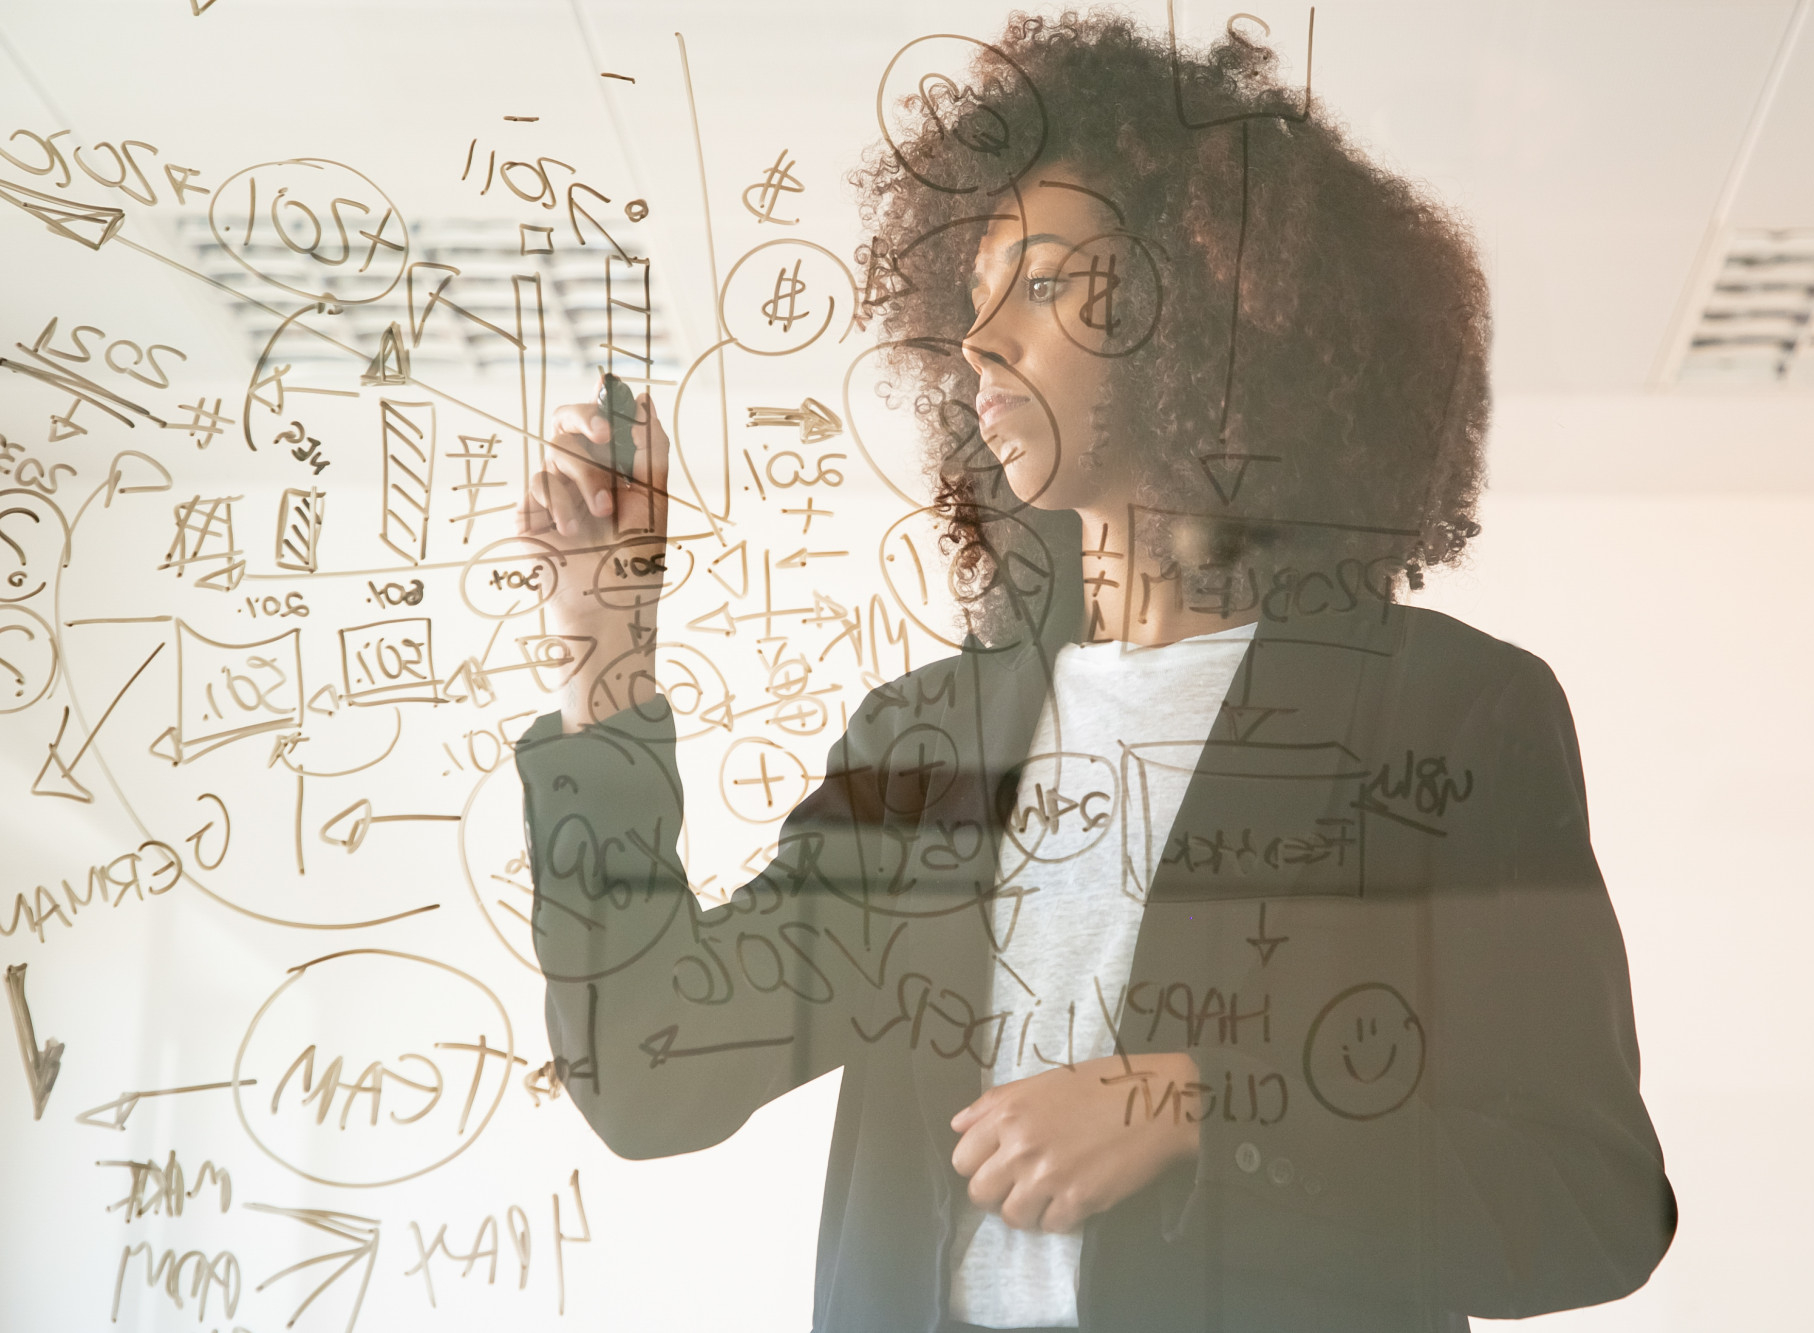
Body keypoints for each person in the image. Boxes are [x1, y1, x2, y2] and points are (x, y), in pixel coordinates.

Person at [513, 13, 1674, 1332]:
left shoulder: (1451, 713)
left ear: (1223, 314)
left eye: (1049, 283)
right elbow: (655, 1068)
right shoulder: (930, 736)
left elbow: (1588, 1200)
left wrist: (1196, 1106)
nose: (981, 342)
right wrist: (602, 636)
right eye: (977, 289)